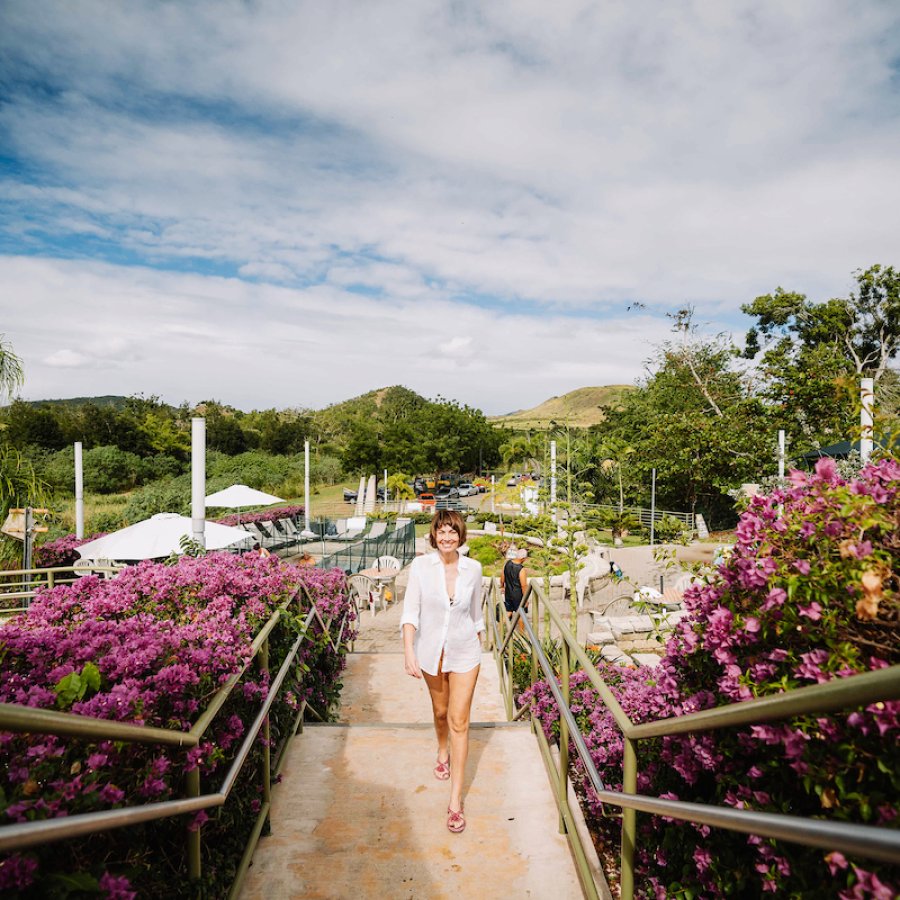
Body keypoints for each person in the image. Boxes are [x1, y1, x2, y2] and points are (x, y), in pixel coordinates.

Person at [401, 509, 485, 834]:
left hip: (466, 653)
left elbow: (476, 611)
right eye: (441, 532)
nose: (447, 537)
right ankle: (441, 749)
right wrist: (409, 650)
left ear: (460, 536)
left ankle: (455, 801)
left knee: (459, 722)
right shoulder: (421, 567)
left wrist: (481, 638)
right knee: (440, 712)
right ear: (434, 536)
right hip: (431, 652)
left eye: (452, 532)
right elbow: (410, 610)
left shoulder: (473, 569)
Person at [500, 546, 529, 627]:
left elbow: (502, 576)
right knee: (520, 614)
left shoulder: (507, 563)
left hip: (508, 593)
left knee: (508, 612)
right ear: (523, 558)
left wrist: (502, 586)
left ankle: (500, 631)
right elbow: (523, 586)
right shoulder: (521, 569)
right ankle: (522, 636)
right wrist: (525, 599)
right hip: (518, 595)